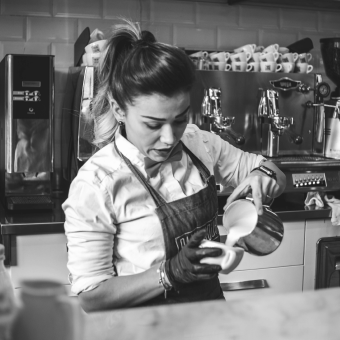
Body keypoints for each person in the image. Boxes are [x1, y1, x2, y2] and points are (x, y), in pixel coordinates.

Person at [62, 18, 286, 312]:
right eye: (153, 124)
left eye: (180, 119)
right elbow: (92, 296)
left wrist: (265, 175)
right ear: (118, 109)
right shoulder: (97, 184)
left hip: (208, 320)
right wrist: (168, 274)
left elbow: (274, 172)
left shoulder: (199, 143)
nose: (169, 138)